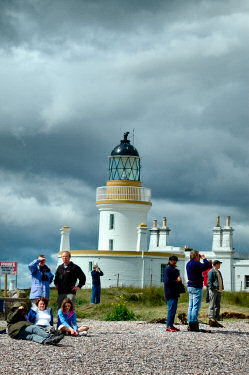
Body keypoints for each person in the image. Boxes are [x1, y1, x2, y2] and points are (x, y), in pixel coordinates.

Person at [186, 250, 210, 332]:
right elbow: (206, 266)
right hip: (196, 286)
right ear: (196, 256)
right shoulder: (196, 263)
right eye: (198, 256)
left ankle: (189, 323)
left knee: (190, 306)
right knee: (195, 306)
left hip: (190, 285)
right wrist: (204, 258)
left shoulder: (188, 264)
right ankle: (194, 324)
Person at [163, 256, 183, 332]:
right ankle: (168, 326)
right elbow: (167, 281)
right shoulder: (168, 269)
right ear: (169, 261)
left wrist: (179, 281)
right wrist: (176, 281)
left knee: (174, 310)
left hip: (175, 292)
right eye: (173, 260)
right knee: (171, 309)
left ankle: (171, 325)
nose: (174, 262)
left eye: (176, 260)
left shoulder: (175, 270)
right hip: (170, 292)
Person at [208, 260, 224, 327]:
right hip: (214, 290)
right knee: (212, 304)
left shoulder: (219, 272)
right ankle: (211, 316)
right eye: (219, 264)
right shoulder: (211, 271)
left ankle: (217, 316)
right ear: (215, 264)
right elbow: (209, 281)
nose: (219, 265)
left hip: (219, 290)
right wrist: (212, 288)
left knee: (217, 304)